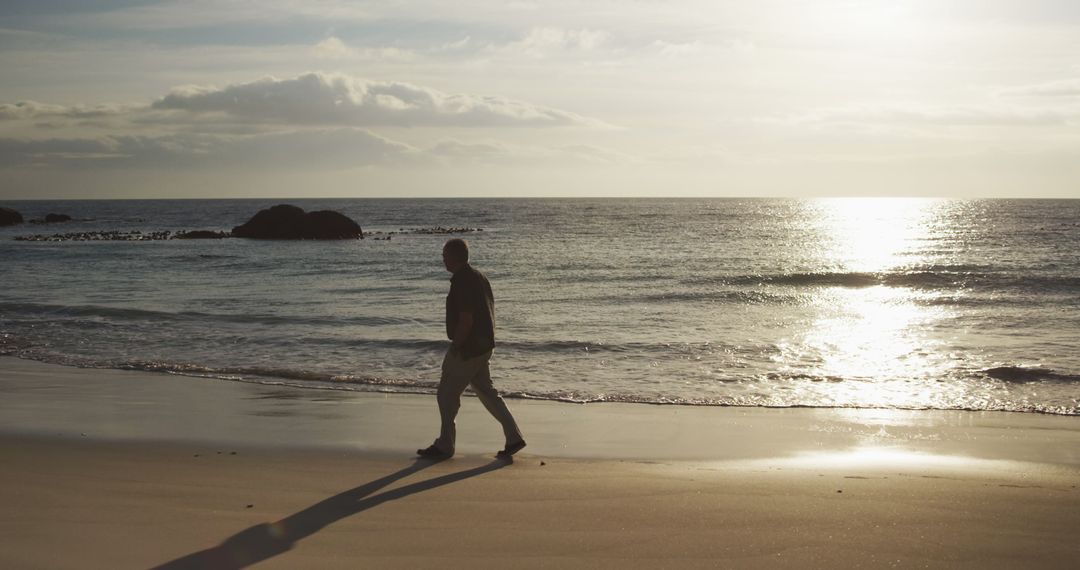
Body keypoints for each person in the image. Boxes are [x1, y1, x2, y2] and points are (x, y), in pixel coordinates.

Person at [417, 238, 526, 460]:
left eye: (445, 255)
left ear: (455, 257)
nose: (443, 259)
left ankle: (445, 445)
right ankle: (514, 437)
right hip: (483, 345)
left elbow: (466, 319)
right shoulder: (478, 277)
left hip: (469, 348)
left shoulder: (462, 281)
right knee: (487, 393)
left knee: (447, 393)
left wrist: (456, 346)